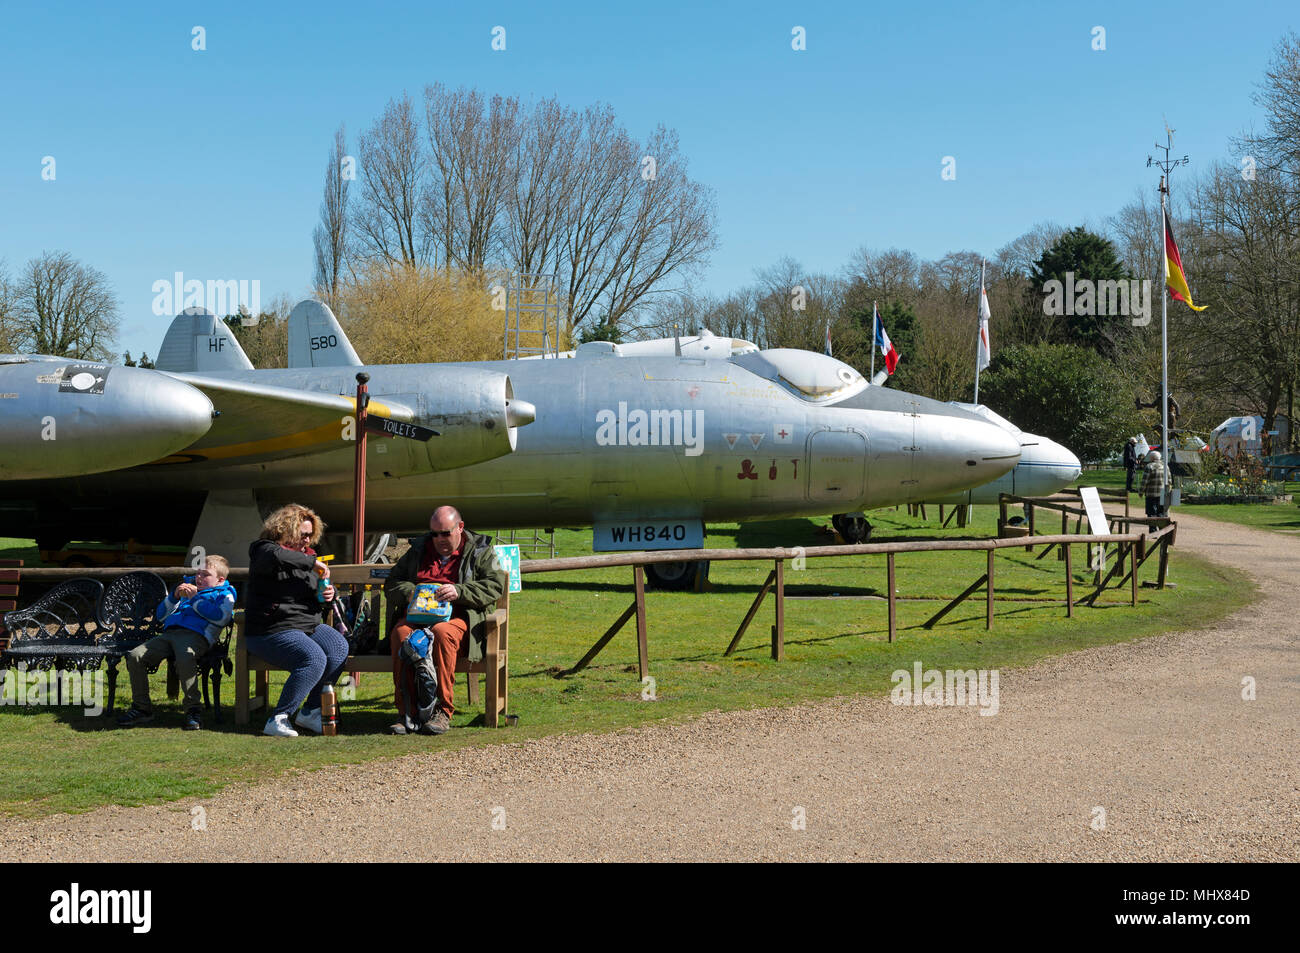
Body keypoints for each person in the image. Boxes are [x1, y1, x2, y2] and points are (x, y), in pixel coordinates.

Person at [383, 506, 506, 735]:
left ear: (460, 527)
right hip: (418, 617)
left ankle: (443, 710)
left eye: (445, 533)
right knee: (401, 634)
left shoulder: (480, 551)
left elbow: (494, 586)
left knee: (442, 632)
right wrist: (411, 591)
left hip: (459, 618)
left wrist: (459, 592)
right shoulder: (419, 550)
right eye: (434, 534)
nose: (439, 539)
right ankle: (406, 712)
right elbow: (392, 583)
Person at [244, 504, 348, 737]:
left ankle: (309, 712)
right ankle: (279, 718)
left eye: (311, 535)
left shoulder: (307, 558)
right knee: (313, 657)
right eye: (303, 534)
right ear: (286, 529)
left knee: (338, 647)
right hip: (270, 628)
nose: (308, 540)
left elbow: (312, 598)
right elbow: (278, 555)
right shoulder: (263, 550)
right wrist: (313, 563)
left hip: (306, 625)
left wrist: (327, 596)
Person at [117, 555, 236, 730]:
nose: (199, 578)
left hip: (197, 636)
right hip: (169, 634)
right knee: (135, 656)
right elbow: (160, 616)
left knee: (184, 655)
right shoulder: (187, 588)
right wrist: (173, 597)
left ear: (220, 579)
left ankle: (193, 709)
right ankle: (142, 708)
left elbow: (221, 618)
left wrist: (195, 599)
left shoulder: (224, 593)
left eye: (205, 575)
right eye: (198, 574)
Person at [1139, 450, 1168, 518]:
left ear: (1151, 458)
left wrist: (1141, 492)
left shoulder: (1149, 466)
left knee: (1151, 514)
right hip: (1162, 493)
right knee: (1161, 513)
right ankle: (1161, 527)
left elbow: (1144, 481)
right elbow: (1169, 480)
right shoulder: (1165, 466)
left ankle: (1153, 528)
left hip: (1151, 494)